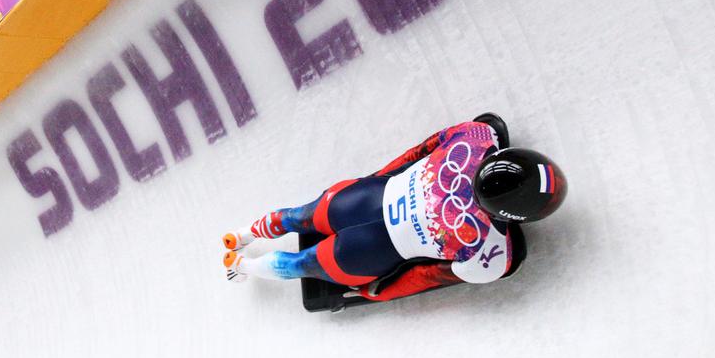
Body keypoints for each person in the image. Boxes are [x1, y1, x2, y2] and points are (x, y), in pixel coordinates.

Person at [222, 116, 566, 302]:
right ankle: (244, 266)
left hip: (358, 199)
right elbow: (426, 277)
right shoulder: (489, 253)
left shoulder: (475, 136)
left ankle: (241, 235)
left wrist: (376, 179)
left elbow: (416, 153)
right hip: (364, 255)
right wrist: (379, 293)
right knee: (301, 265)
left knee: (298, 216)